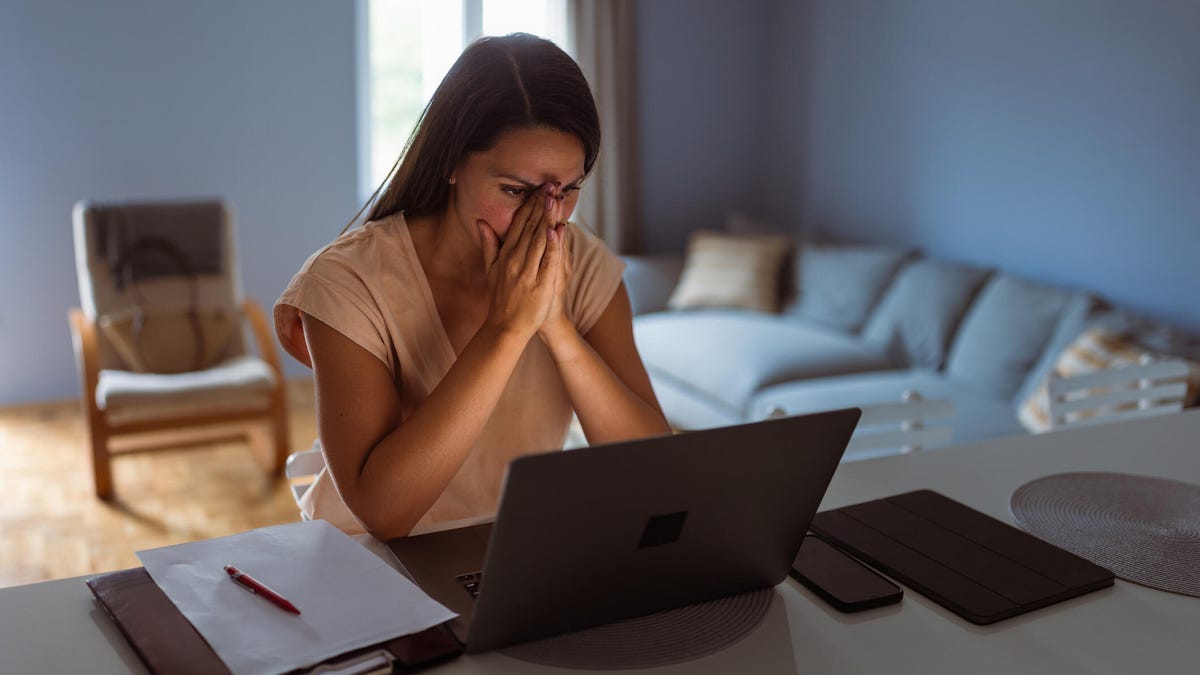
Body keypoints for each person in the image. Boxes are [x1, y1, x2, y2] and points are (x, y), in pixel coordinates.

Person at [274, 33, 671, 540]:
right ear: (451, 163)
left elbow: (652, 470)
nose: (546, 216)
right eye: (515, 190)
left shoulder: (586, 269)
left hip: (507, 549)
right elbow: (384, 514)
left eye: (567, 191)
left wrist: (557, 328)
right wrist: (506, 329)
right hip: (369, 563)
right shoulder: (348, 281)